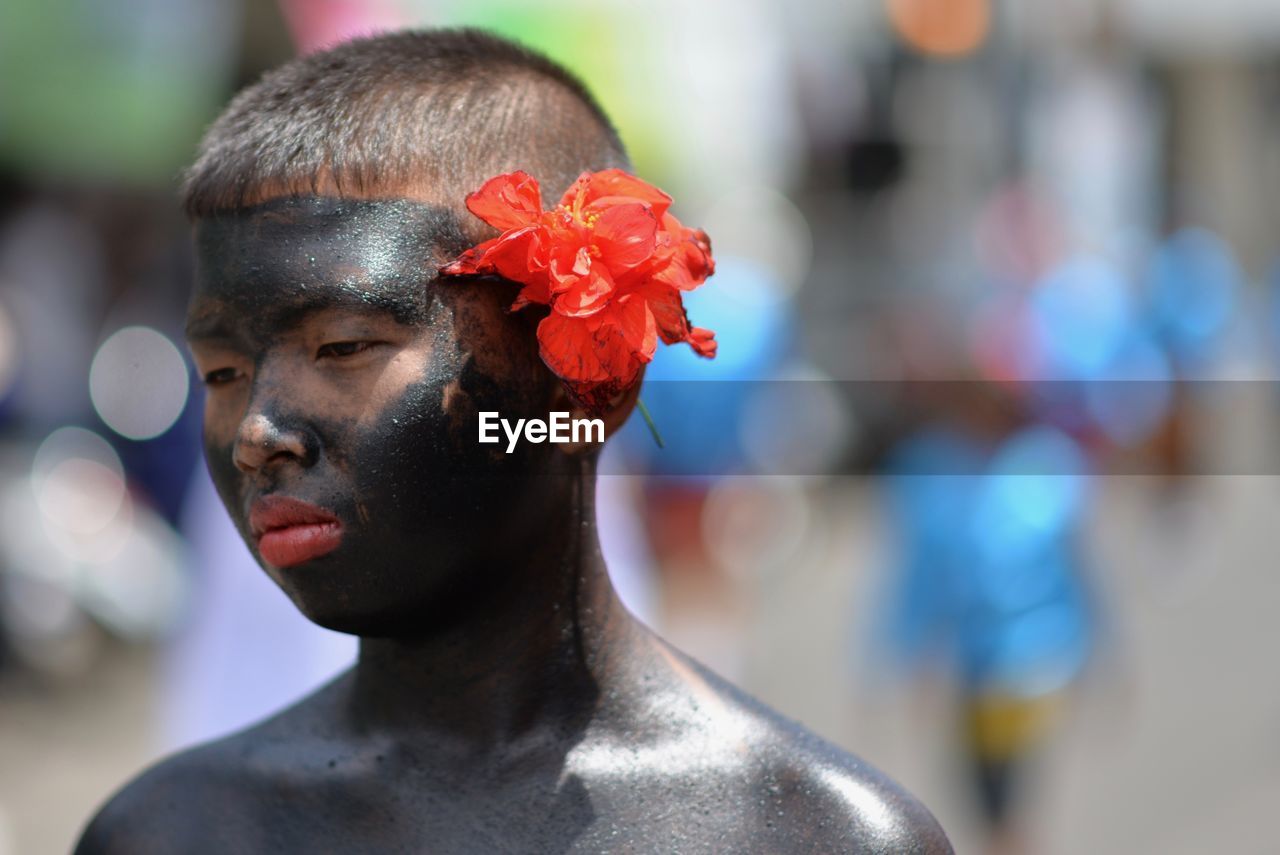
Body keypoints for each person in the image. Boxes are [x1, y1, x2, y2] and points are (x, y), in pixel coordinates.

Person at [75, 29, 951, 853]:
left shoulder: (813, 837)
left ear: (583, 379)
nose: (257, 433)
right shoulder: (174, 831)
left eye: (342, 348)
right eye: (222, 372)